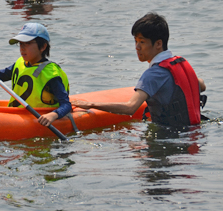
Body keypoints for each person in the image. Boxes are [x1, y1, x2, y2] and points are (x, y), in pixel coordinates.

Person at [72, 13, 207, 128]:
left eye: (142, 42)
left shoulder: (153, 74)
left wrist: (90, 104)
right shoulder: (179, 64)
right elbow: (201, 85)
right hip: (194, 132)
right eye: (135, 41)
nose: (137, 47)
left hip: (169, 137)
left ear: (158, 44)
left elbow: (130, 107)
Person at [0, 23, 71, 127]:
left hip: (39, 118)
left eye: (27, 43)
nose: (22, 48)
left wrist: (53, 115)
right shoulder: (20, 63)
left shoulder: (51, 73)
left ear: (43, 47)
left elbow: (66, 105)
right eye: (20, 44)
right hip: (17, 116)